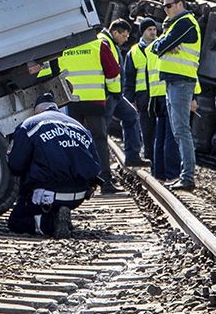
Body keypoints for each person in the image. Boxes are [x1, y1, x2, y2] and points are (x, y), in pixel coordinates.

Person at [5, 96, 103, 236]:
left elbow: (15, 165)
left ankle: (50, 223)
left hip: (45, 195)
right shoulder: (79, 127)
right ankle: (61, 213)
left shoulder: (29, 125)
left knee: (16, 222)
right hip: (79, 195)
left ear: (36, 111)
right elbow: (96, 166)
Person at [53, 32, 121, 193]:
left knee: (72, 141)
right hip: (94, 101)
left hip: (70, 102)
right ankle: (105, 182)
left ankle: (78, 183)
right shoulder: (99, 45)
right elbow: (113, 71)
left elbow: (52, 72)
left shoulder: (61, 47)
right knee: (99, 140)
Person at [149, 0, 204, 189]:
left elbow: (162, 46)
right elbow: (157, 47)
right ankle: (185, 175)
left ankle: (187, 177)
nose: (165, 10)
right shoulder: (173, 25)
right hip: (173, 81)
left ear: (180, 4)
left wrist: (164, 44)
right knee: (177, 130)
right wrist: (163, 44)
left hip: (181, 81)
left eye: (168, 6)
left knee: (181, 130)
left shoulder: (185, 23)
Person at [106, 19, 144, 168]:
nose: (126, 39)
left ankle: (132, 156)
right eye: (124, 35)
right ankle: (102, 169)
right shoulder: (105, 43)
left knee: (131, 115)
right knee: (102, 131)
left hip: (115, 95)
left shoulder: (112, 44)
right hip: (108, 94)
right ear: (115, 32)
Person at [130, 19, 163, 171]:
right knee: (148, 134)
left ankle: (160, 168)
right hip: (143, 99)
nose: (153, 32)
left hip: (159, 97)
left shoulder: (162, 46)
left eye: (154, 29)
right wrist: (130, 99)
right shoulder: (134, 51)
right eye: (149, 29)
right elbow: (129, 77)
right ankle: (151, 165)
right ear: (142, 31)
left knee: (161, 135)